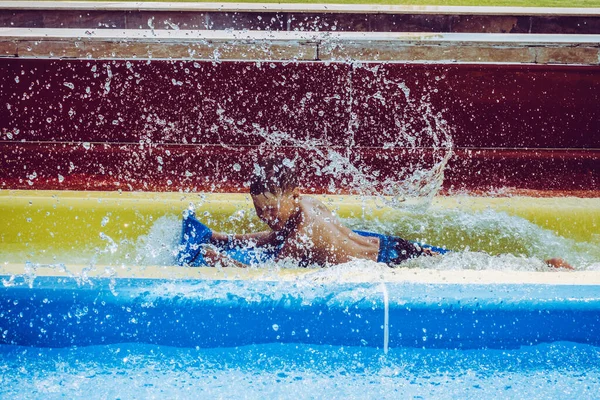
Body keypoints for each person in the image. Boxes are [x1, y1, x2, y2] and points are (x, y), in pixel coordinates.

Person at [177, 158, 573, 270]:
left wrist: (222, 259)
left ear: (293, 195)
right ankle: (540, 266)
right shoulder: (303, 209)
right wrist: (219, 237)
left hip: (389, 263)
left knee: (469, 269)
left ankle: (543, 267)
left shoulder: (302, 233)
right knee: (460, 261)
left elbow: (266, 275)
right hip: (386, 247)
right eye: (260, 212)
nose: (266, 218)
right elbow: (273, 238)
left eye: (271, 210)